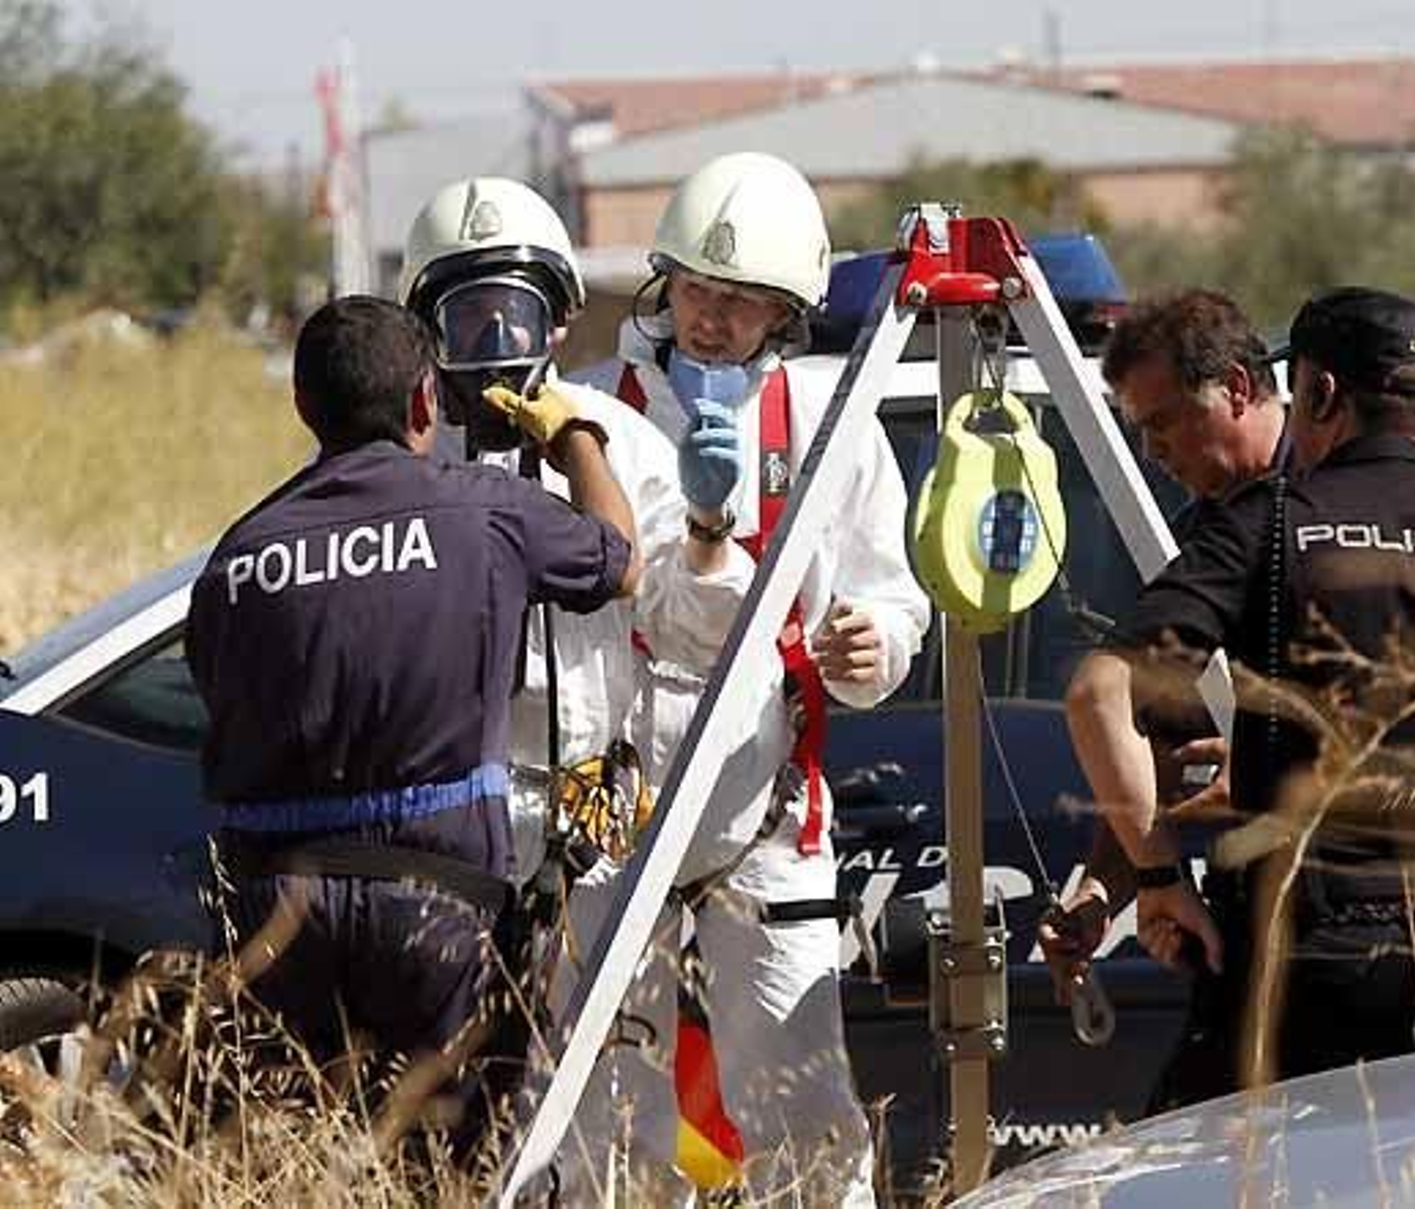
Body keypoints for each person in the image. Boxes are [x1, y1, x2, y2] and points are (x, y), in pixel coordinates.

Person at [1065, 286, 1415, 1099]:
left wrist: (1158, 877)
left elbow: (1100, 694)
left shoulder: (1268, 525)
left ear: (1315, 392)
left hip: (1312, 950)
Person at [560, 151, 931, 1207]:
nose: (711, 321)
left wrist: (877, 646)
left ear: (786, 313)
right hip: (608, 812)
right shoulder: (591, 412)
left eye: (741, 303)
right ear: (662, 283)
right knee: (606, 1125)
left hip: (767, 815)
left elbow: (886, 592)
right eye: (695, 293)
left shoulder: (833, 426)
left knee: (807, 1121)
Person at [187, 294, 639, 1155]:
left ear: (303, 408)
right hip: (438, 912)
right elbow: (619, 561)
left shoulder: (240, 553)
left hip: (279, 921)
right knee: (448, 1164)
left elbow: (215, 692)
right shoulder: (486, 509)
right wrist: (576, 435)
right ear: (425, 400)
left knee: (299, 1163)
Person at [397, 177, 755, 887]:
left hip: (594, 824)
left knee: (610, 1002)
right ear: (430, 336)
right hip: (448, 820)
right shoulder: (405, 455)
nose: (497, 343)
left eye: (516, 316)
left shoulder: (618, 440)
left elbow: (700, 637)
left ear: (557, 321)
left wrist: (708, 530)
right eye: (469, 320)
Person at [1042, 290, 1286, 1007]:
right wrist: (1102, 891)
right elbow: (1166, 737)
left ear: (1237, 388)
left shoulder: (1338, 504)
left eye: (1165, 423)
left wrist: (1283, 763)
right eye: (1140, 431)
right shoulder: (1211, 530)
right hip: (1258, 919)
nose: (1153, 452)